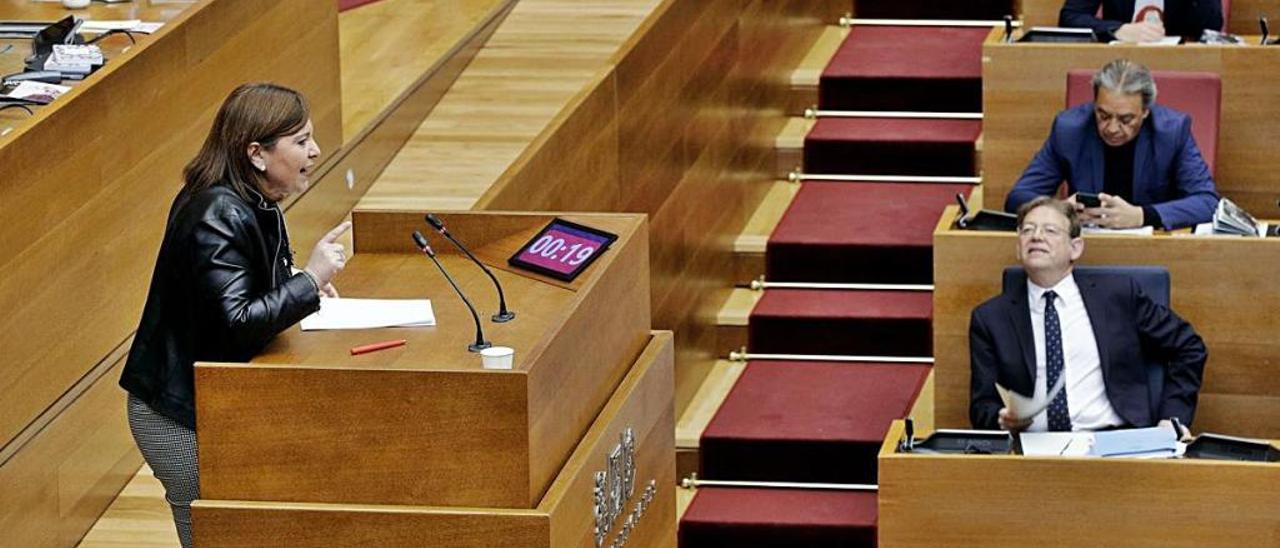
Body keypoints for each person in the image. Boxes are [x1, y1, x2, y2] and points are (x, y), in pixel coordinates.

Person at [118, 83, 349, 547]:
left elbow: (240, 292)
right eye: (301, 141)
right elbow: (237, 323)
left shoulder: (254, 201)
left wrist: (298, 283)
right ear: (256, 153)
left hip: (218, 403)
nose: (316, 150)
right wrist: (305, 283)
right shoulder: (216, 212)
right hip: (182, 418)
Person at [969, 197, 1207, 432]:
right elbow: (982, 405)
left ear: (1075, 248)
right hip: (1033, 448)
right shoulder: (990, 318)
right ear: (1018, 247)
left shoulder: (1117, 296)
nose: (1036, 236)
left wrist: (1171, 418)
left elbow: (1189, 347)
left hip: (1114, 442)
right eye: (1027, 230)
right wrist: (1001, 419)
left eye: (1050, 230)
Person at [1005, 59, 1219, 230]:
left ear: (1145, 111)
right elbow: (1018, 197)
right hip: (1086, 249)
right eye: (1103, 115)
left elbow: (1207, 202)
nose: (1112, 128)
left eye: (1126, 120)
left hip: (1155, 246)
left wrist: (1141, 215)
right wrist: (1059, 209)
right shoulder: (1069, 129)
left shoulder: (1172, 131)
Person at [1060, 0, 1224, 42]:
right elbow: (1070, 17)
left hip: (1177, 63)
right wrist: (1117, 30)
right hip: (1117, 63)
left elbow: (1211, 26)